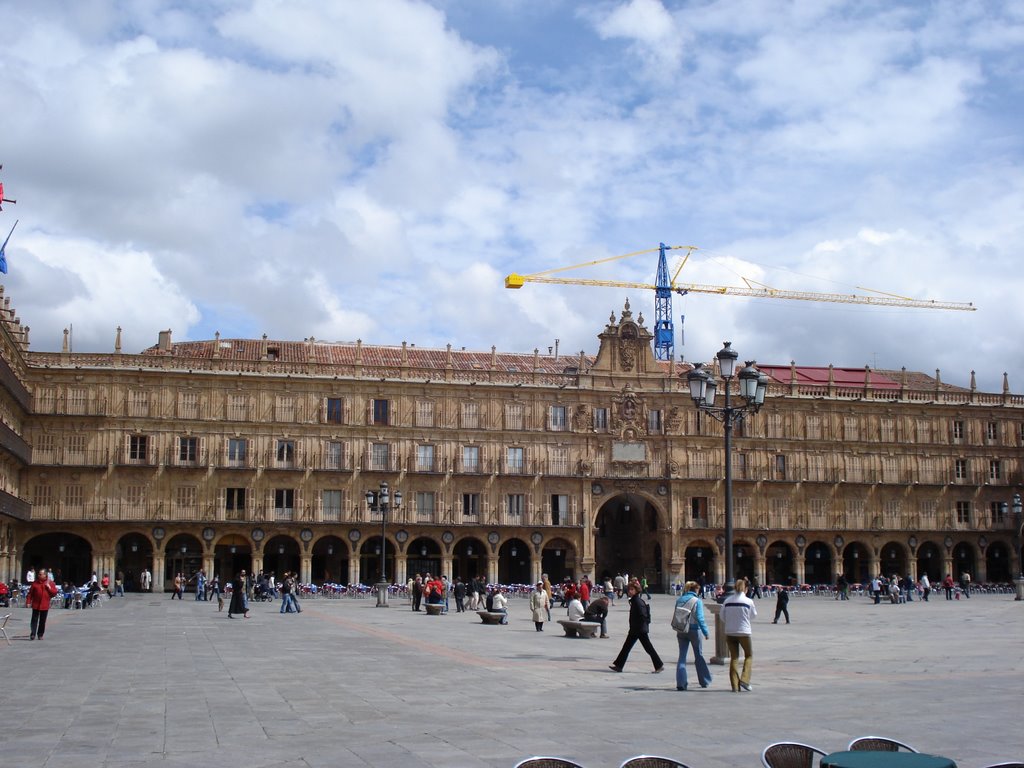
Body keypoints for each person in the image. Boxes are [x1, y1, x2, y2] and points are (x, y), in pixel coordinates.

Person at [609, 583, 664, 674]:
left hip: (639, 630)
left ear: (636, 591)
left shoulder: (638, 601)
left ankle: (659, 665)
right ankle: (619, 665)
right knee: (626, 647)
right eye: (629, 589)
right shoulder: (634, 600)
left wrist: (640, 626)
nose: (629, 591)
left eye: (632, 589)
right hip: (635, 629)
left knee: (648, 648)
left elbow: (643, 615)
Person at [674, 580, 712, 691]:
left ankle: (681, 683)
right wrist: (706, 632)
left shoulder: (679, 599)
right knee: (698, 656)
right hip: (695, 630)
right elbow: (700, 618)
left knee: (682, 656)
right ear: (696, 589)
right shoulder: (697, 601)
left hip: (681, 630)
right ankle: (704, 680)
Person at [723, 577, 757, 692]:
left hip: (730, 632)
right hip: (744, 632)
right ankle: (745, 680)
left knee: (734, 658)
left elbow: (722, 616)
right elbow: (753, 615)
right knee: (749, 655)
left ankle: (735, 685)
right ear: (745, 589)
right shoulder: (748, 601)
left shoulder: (727, 601)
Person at [26, 567, 59, 640]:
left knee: (42, 621)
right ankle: (33, 633)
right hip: (36, 604)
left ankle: (40, 634)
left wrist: (49, 588)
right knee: (34, 620)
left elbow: (54, 593)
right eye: (39, 574)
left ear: (45, 575)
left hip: (44, 604)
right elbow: (30, 594)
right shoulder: (35, 583)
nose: (39, 575)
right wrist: (28, 602)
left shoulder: (50, 583)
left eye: (40, 574)